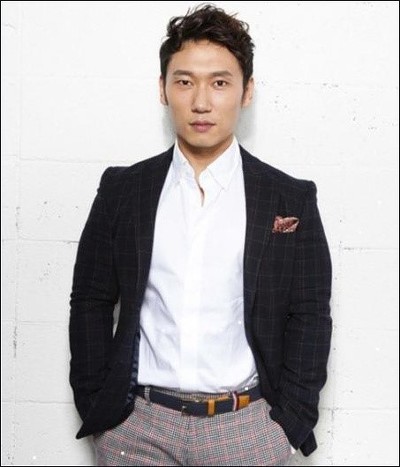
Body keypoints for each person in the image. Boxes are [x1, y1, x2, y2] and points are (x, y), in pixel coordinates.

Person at [69, 4, 332, 466]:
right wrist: (101, 413)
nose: (202, 102)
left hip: (247, 429)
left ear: (247, 91)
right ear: (163, 89)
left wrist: (288, 427)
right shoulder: (123, 191)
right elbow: (90, 300)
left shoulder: (290, 198)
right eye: (185, 82)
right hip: (139, 429)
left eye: (220, 83)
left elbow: (310, 316)